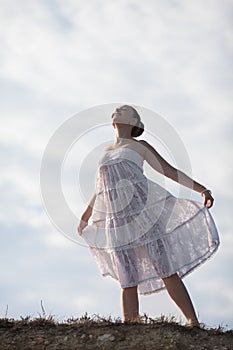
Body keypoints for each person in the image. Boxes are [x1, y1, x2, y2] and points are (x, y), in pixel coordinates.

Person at [77, 105, 219, 327]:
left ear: (134, 121)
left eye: (124, 110)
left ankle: (193, 321)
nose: (117, 110)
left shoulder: (140, 146)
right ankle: (131, 326)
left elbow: (169, 171)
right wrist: (86, 215)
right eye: (116, 109)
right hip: (117, 221)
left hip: (143, 214)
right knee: (126, 276)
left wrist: (201, 189)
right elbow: (101, 187)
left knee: (165, 268)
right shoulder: (105, 152)